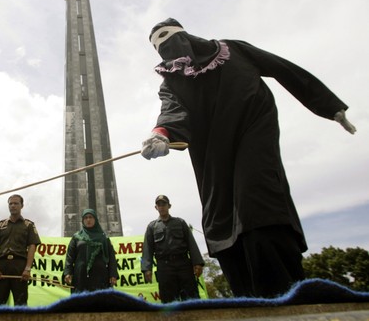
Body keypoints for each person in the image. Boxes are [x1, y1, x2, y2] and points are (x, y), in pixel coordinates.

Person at [141, 18, 356, 298]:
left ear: (185, 36)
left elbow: (283, 68)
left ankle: (283, 288)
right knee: (221, 214)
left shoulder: (234, 50)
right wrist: (161, 134)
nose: (167, 52)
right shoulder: (173, 81)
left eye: (168, 42)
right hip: (213, 152)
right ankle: (248, 294)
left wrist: (328, 105)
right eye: (160, 49)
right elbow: (172, 110)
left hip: (252, 129)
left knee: (256, 197)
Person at [141, 195, 203, 303]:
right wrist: (147, 269)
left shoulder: (180, 222)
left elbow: (191, 243)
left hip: (184, 265)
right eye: (159, 205)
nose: (161, 207)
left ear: (169, 206)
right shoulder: (152, 227)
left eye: (164, 204)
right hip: (165, 267)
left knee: (191, 299)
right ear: (156, 207)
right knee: (168, 301)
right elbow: (148, 249)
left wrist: (197, 263)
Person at [0, 194, 41, 306]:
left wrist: (27, 268)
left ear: (22, 206)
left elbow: (32, 246)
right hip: (2, 267)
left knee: (21, 304)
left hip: (19, 267)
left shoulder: (28, 225)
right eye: (10, 203)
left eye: (16, 203)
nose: (13, 206)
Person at [63, 209, 118, 294]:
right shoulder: (76, 237)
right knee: (81, 304)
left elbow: (111, 257)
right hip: (80, 277)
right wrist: (67, 272)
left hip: (100, 277)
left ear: (95, 219)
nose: (88, 220)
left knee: (99, 304)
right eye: (85, 218)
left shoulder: (104, 238)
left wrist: (113, 274)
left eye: (90, 217)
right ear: (83, 220)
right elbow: (69, 257)